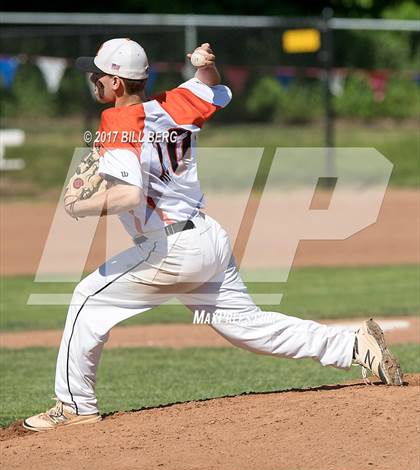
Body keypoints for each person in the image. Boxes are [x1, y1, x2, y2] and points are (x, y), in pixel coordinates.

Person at [24, 38, 403, 432]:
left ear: (117, 84)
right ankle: (355, 346)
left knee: (87, 299)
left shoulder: (117, 123)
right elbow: (213, 87)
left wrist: (77, 207)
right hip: (205, 237)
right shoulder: (174, 103)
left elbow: (129, 194)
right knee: (246, 327)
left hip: (170, 249)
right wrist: (205, 67)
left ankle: (74, 406)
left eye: (98, 75)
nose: (93, 80)